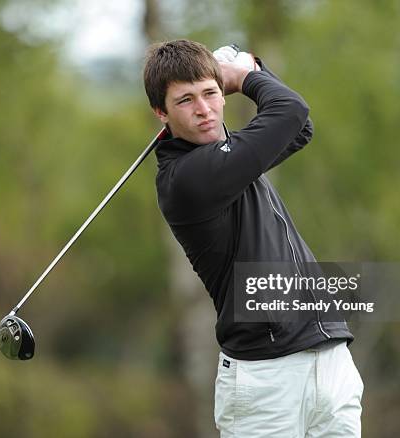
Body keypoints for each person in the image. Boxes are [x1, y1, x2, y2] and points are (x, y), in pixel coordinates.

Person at [143, 39, 363, 437]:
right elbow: (290, 110)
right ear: (161, 113)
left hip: (329, 364)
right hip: (266, 381)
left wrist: (254, 69)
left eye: (210, 93)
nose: (204, 109)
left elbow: (299, 128)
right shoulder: (188, 180)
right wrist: (243, 76)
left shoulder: (230, 156)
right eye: (185, 100)